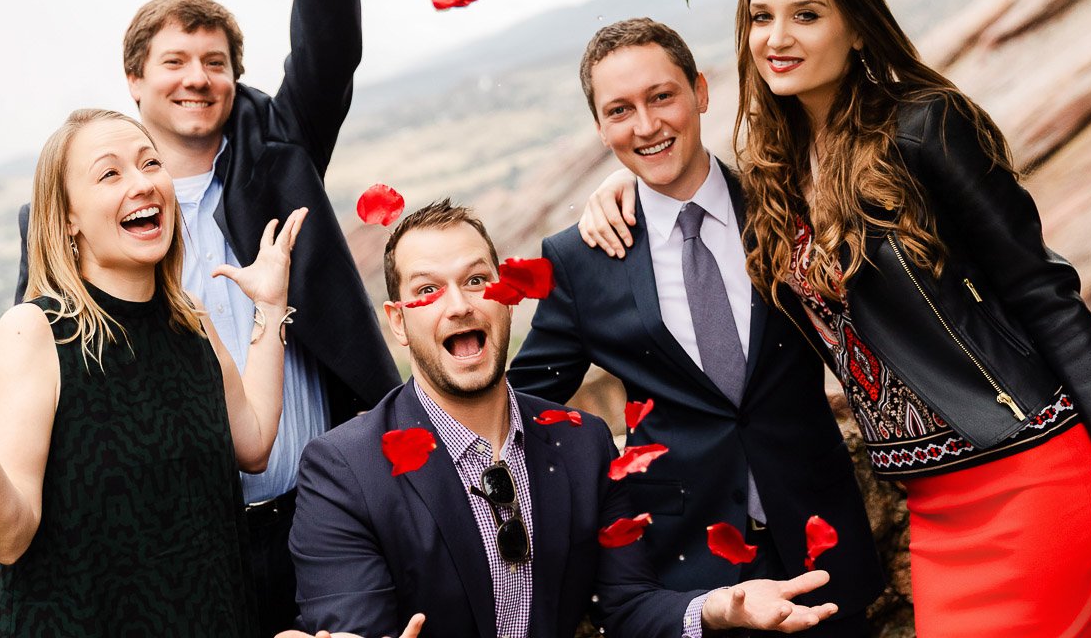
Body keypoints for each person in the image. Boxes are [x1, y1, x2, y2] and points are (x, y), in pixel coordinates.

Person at [577, 0, 1091, 635]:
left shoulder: (926, 127)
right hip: (933, 505)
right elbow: (689, 182)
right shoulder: (776, 176)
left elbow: (1047, 294)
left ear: (856, 26)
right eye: (761, 17)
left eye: (806, 14)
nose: (777, 37)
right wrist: (628, 180)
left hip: (1028, 472)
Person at [11, 0, 400, 632]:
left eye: (216, 62)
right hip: (184, 536)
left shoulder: (279, 152)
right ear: (134, 81)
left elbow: (328, 52)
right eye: (175, 61)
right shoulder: (69, 219)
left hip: (319, 510)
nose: (198, 77)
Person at [284, 200, 841, 638]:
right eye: (427, 290)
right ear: (398, 322)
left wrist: (718, 608)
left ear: (506, 297)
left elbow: (625, 604)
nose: (458, 305)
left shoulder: (581, 443)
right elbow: (352, 625)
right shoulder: (343, 471)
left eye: (477, 280)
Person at [507, 18, 882, 636]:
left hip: (826, 556)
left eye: (662, 97)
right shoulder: (580, 261)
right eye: (620, 110)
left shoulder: (786, 205)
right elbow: (526, 404)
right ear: (602, 128)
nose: (648, 125)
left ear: (700, 92)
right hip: (690, 578)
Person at [0, 109, 306, 636]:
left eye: (151, 163)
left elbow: (255, 442)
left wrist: (270, 306)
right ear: (65, 219)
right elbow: (8, 537)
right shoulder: (35, 332)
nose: (144, 183)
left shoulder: (190, 320)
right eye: (110, 173)